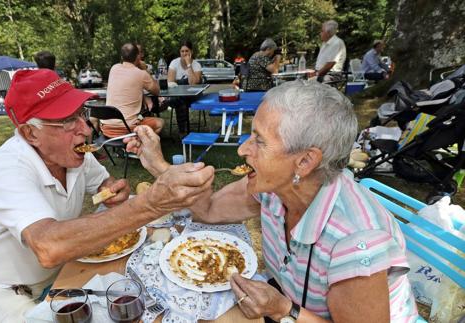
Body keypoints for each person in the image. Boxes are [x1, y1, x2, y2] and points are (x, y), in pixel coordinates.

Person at [126, 80, 419, 322]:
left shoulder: (355, 242)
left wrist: (283, 310)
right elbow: (209, 209)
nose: (242, 150)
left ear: (304, 161)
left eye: (259, 140)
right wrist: (158, 166)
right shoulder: (274, 187)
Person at [0, 69, 214, 322]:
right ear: (30, 133)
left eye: (80, 114)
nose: (85, 129)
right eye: (66, 121)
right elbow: (48, 246)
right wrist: (150, 203)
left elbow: (104, 184)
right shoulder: (4, 168)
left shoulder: (75, 155)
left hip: (60, 275)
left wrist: (111, 191)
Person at [102, 43, 163, 138]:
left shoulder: (114, 68)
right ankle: (138, 146)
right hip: (127, 128)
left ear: (122, 57)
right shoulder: (141, 74)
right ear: (138, 56)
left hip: (106, 128)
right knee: (160, 123)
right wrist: (144, 69)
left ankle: (125, 148)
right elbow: (157, 91)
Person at [167, 40, 203, 138]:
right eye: (182, 51)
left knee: (180, 100)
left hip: (193, 96)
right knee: (180, 100)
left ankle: (182, 131)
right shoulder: (174, 63)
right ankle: (183, 131)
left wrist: (188, 65)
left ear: (191, 52)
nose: (184, 53)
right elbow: (170, 82)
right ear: (179, 52)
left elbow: (193, 83)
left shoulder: (196, 65)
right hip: (178, 95)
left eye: (186, 51)